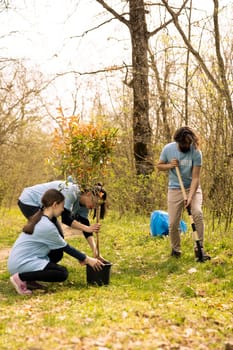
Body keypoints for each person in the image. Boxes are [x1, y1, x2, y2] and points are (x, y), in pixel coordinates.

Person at [8, 189, 104, 295]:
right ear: (54, 205)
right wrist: (88, 259)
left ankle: (29, 279)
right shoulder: (47, 226)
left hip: (20, 261)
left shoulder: (40, 218)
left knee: (57, 254)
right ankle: (20, 278)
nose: (63, 210)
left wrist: (82, 258)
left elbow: (61, 247)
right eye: (62, 206)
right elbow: (66, 247)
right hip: (21, 264)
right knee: (62, 273)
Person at [18, 179, 107, 262]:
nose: (95, 207)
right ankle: (29, 262)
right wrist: (87, 228)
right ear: (89, 194)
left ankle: (44, 266)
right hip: (31, 201)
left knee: (58, 242)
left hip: (46, 208)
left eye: (97, 206)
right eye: (95, 203)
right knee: (51, 235)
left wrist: (95, 251)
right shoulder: (72, 191)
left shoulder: (85, 205)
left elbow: (86, 226)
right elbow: (66, 219)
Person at [157, 126, 211, 260]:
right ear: (177, 141)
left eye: (187, 143)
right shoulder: (168, 149)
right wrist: (170, 165)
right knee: (173, 222)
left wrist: (190, 196)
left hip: (192, 188)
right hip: (175, 189)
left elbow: (196, 177)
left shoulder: (196, 152)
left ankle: (199, 250)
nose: (184, 146)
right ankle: (176, 250)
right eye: (182, 144)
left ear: (191, 142)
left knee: (197, 213)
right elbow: (159, 166)